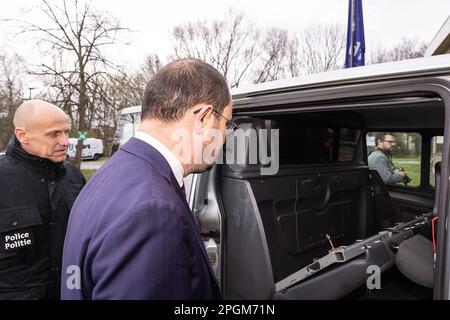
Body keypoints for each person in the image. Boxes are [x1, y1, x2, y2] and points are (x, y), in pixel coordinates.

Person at [61, 58, 233, 300]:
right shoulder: (154, 210)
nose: (225, 136)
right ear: (203, 118)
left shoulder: (113, 172)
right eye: (226, 124)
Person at [0, 100, 85, 300]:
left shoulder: (73, 177)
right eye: (54, 134)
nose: (65, 141)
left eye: (66, 132)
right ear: (22, 135)